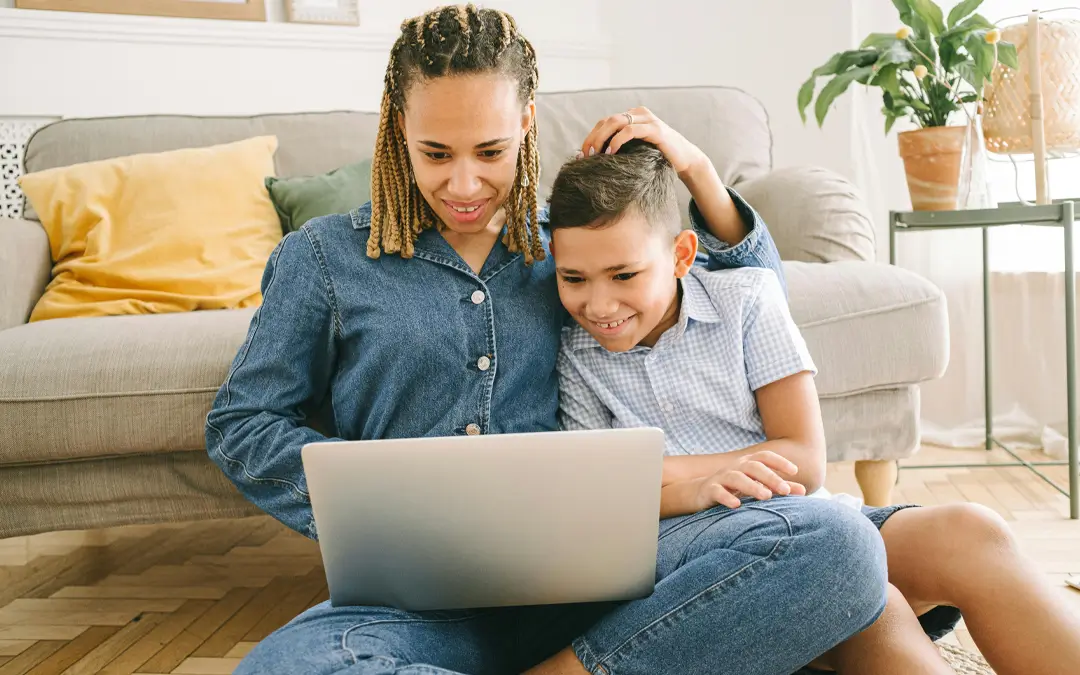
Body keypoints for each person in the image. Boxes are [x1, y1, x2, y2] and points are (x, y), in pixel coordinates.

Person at [206, 5, 891, 674]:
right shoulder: (325, 258)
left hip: (603, 580)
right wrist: (370, 501)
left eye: (492, 151)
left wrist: (698, 172)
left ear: (527, 124)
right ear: (397, 125)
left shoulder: (570, 247)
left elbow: (747, 293)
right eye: (436, 152)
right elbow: (242, 422)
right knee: (288, 665)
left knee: (838, 544)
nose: (465, 182)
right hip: (417, 601)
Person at [547, 134, 1080, 675]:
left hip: (810, 517)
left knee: (971, 531)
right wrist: (692, 488)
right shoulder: (574, 350)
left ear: (682, 254)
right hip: (689, 548)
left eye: (624, 275)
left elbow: (804, 458)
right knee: (868, 602)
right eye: (574, 279)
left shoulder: (747, 300)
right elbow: (605, 496)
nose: (599, 304)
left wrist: (674, 472)